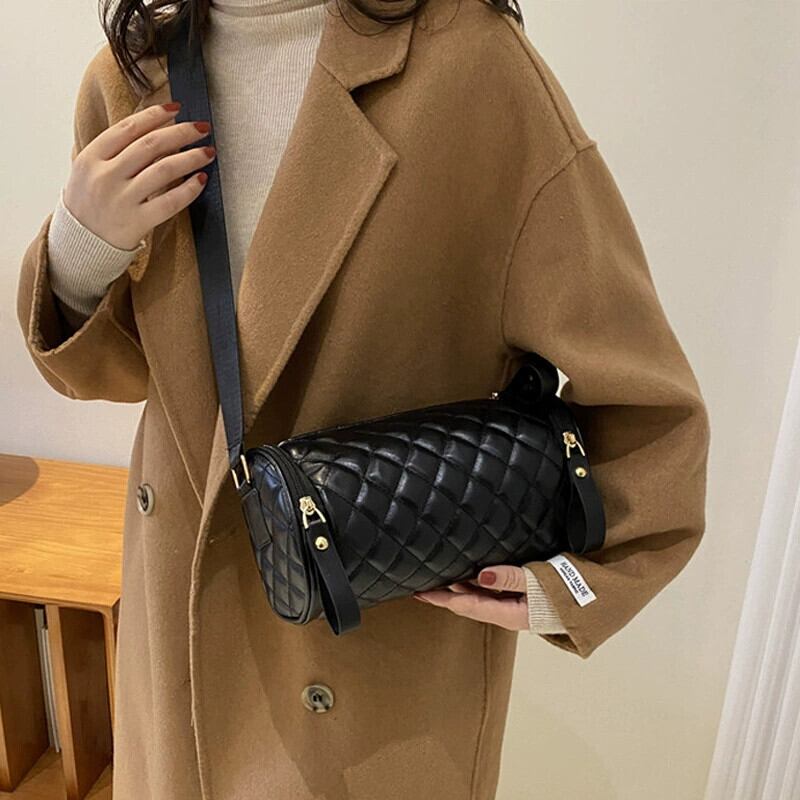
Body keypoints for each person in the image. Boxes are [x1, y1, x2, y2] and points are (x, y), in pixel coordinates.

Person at [16, 0, 711, 797]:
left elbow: (648, 404)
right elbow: (133, 374)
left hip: (374, 648)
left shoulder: (471, 68)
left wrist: (566, 589)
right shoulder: (131, 77)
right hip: (180, 627)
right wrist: (78, 249)